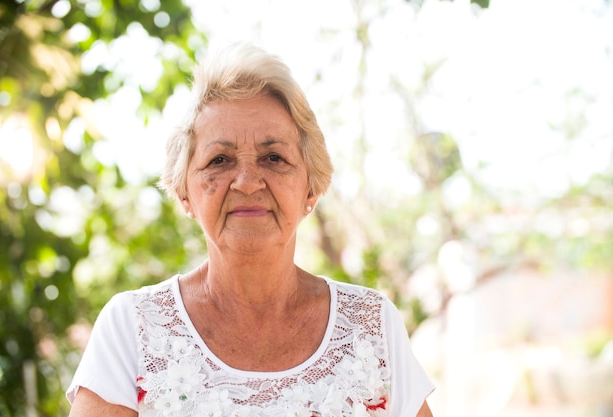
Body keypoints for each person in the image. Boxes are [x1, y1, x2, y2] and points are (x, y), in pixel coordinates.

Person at [66, 43, 435, 417]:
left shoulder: (371, 327)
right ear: (184, 193)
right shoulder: (133, 327)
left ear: (311, 187)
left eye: (273, 157)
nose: (246, 182)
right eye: (219, 160)